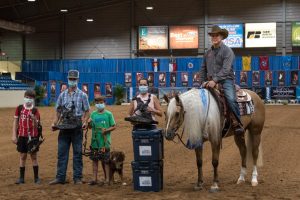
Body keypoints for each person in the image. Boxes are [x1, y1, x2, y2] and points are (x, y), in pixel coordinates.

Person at [199, 25, 244, 135]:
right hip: (209, 81)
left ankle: (237, 123)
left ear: (222, 37)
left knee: (230, 98)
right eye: (212, 35)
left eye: (217, 35)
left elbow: (226, 69)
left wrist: (215, 80)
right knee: (198, 98)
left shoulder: (228, 51)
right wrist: (203, 81)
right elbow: (203, 68)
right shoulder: (207, 53)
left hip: (226, 80)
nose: (214, 37)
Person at [50, 70, 90, 185]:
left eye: (74, 79)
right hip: (64, 127)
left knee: (77, 153)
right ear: (68, 79)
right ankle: (60, 177)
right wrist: (54, 123)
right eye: (70, 79)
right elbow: (58, 112)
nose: (72, 81)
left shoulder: (83, 95)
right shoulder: (62, 95)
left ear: (77, 80)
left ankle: (77, 178)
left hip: (77, 127)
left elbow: (87, 111)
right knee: (62, 153)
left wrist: (85, 121)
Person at [12, 89, 41, 184]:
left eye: (30, 98)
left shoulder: (35, 110)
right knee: (22, 156)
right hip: (22, 136)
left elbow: (37, 126)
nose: (28, 99)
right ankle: (21, 178)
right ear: (24, 97)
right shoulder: (19, 108)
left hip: (32, 137)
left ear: (33, 99)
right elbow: (15, 122)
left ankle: (36, 178)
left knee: (33, 156)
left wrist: (34, 119)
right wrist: (14, 135)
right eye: (27, 97)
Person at [87, 95, 116, 185]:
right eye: (97, 103)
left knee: (106, 161)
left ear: (104, 103)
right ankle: (94, 179)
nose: (99, 105)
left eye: (101, 103)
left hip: (104, 142)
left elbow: (114, 126)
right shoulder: (93, 114)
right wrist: (88, 123)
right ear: (95, 104)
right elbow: (90, 127)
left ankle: (107, 179)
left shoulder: (109, 114)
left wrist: (106, 130)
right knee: (94, 160)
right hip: (95, 142)